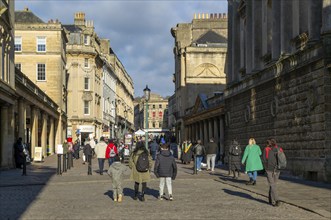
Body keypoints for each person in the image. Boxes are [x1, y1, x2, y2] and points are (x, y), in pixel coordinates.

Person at [262, 139, 283, 207]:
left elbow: (264, 160)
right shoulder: (280, 149)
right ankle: (271, 199)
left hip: (270, 170)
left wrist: (266, 168)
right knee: (273, 185)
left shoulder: (267, 149)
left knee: (272, 185)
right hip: (277, 170)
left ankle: (277, 200)